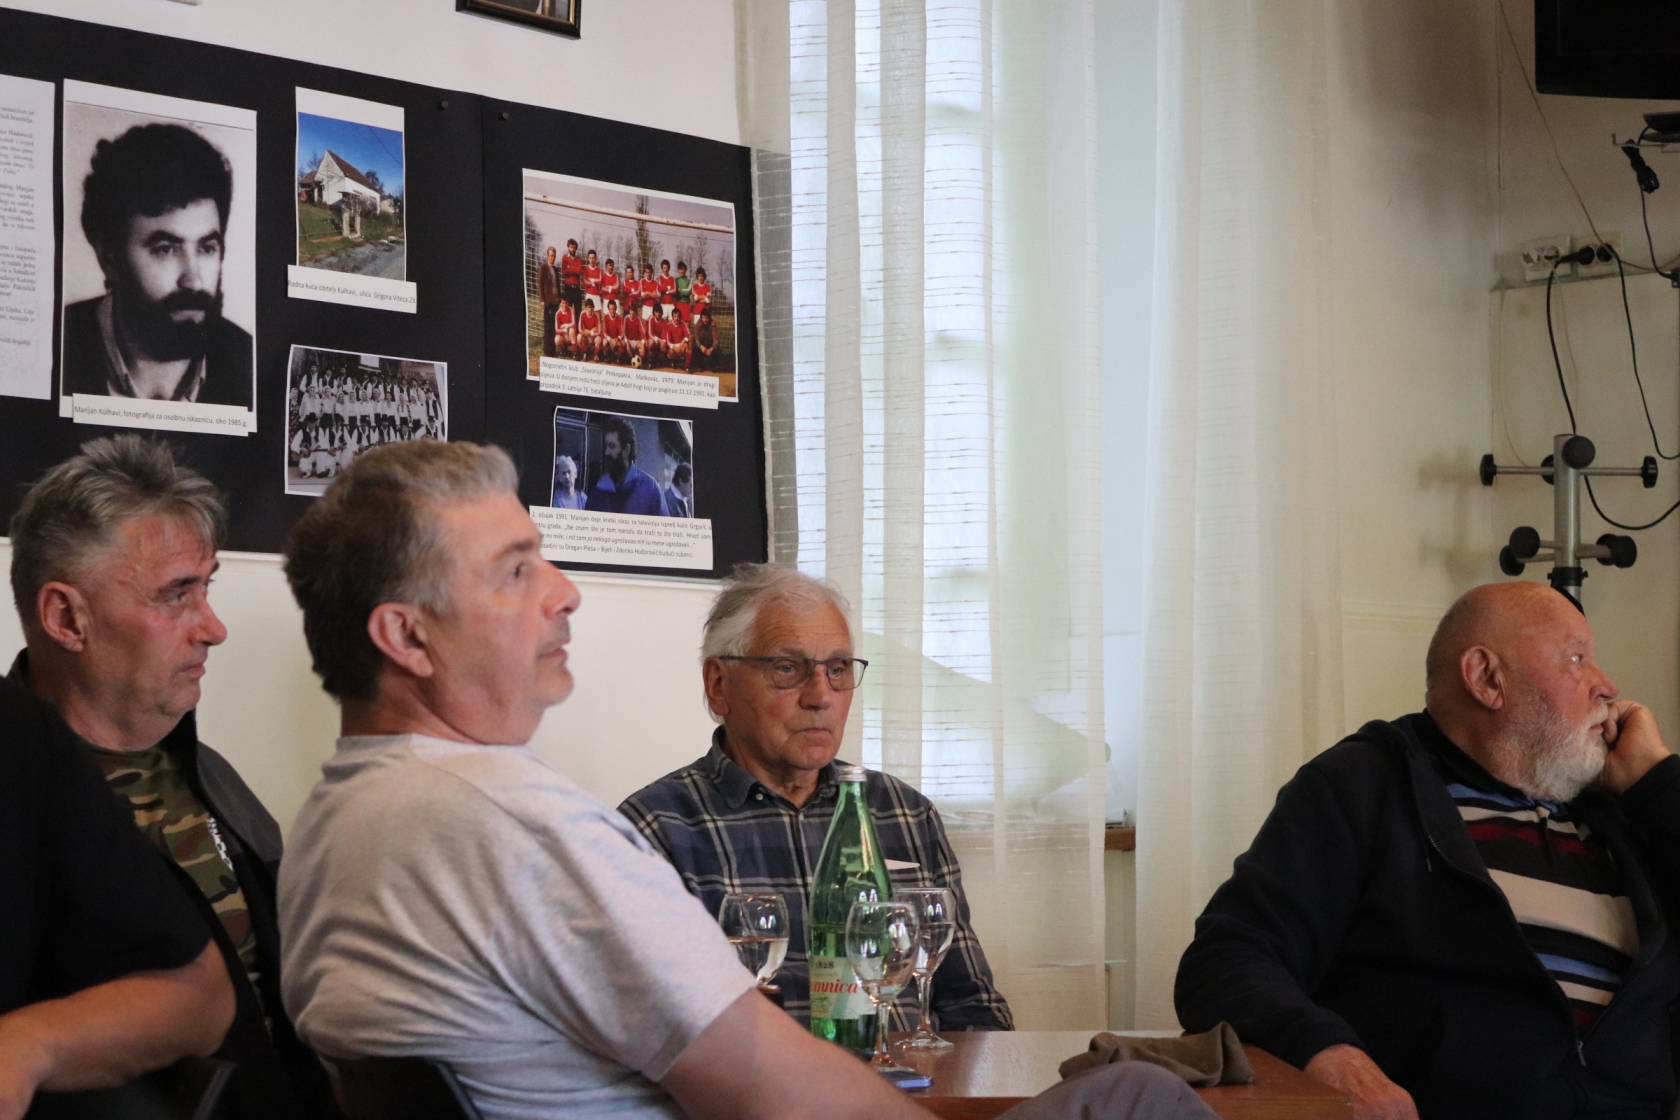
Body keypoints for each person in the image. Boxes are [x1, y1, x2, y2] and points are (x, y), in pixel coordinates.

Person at [275, 440, 1213, 1120]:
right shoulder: (514, 822)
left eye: (839, 669)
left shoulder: (334, 818)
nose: (566, 591)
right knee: (1139, 1098)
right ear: (406, 636)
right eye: (517, 571)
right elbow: (769, 1085)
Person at [1175, 581, 1680, 1120]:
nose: (1608, 686)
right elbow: (1228, 957)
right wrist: (1330, 1057)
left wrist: (1656, 780)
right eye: (1577, 660)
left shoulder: (1620, 811)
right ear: (1486, 678)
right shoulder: (1366, 785)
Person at [6, 435, 334, 1119]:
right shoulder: (21, 794)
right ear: (66, 617)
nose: (212, 628)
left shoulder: (211, 776)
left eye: (206, 588)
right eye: (177, 594)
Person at [620, 564, 1013, 1032]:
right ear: (718, 685)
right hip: (757, 1078)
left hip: (908, 1075)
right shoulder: (656, 829)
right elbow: (650, 1031)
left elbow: (973, 1007)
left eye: (838, 669)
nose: (821, 696)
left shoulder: (903, 812)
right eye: (788, 668)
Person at [0, 674, 235, 1120]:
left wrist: (24, 1046)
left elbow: (198, 992)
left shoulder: (19, 734)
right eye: (174, 601)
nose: (213, 637)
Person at [62, 123, 252, 408]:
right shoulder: (58, 343)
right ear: (109, 258)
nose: (193, 280)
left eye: (207, 248)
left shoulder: (248, 364)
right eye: (166, 249)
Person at [584, 416, 668, 515]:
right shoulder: (597, 493)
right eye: (606, 446)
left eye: (612, 446)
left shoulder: (651, 489)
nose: (606, 452)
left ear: (626, 450)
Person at [538, 246, 561, 359]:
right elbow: (540, 284)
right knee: (548, 327)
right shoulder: (543, 267)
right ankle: (547, 351)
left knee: (554, 326)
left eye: (554, 256)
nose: (553, 258)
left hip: (556, 301)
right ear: (547, 256)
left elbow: (558, 285)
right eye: (551, 255)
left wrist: (560, 298)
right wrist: (542, 300)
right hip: (548, 301)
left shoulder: (556, 269)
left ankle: (553, 350)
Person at [558, 238, 584, 313]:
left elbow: (579, 271)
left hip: (576, 289)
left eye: (574, 247)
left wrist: (569, 267)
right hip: (568, 288)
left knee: (578, 311)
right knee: (567, 311)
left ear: (576, 248)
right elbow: (564, 271)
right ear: (568, 247)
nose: (572, 249)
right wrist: (574, 268)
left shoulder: (579, 259)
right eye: (571, 247)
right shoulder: (565, 257)